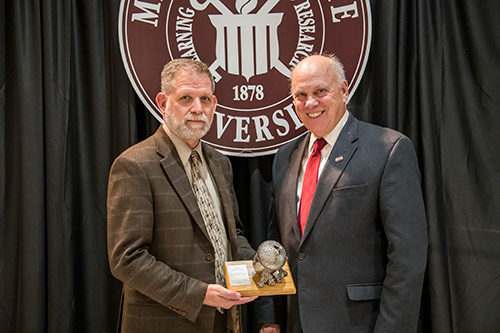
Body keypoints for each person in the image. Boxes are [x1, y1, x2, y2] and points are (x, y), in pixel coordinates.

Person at [260, 54, 428, 332]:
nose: (310, 103)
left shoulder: (388, 149)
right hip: (296, 323)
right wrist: (270, 318)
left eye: (320, 91)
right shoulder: (284, 157)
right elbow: (276, 244)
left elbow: (408, 256)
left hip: (361, 324)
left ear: (345, 90)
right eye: (300, 95)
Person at [107, 58, 257, 333]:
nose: (198, 109)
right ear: (163, 103)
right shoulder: (134, 165)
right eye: (186, 98)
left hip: (223, 321)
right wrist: (199, 294)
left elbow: (230, 233)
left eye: (206, 99)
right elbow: (127, 259)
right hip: (164, 323)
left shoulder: (220, 163)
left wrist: (257, 269)